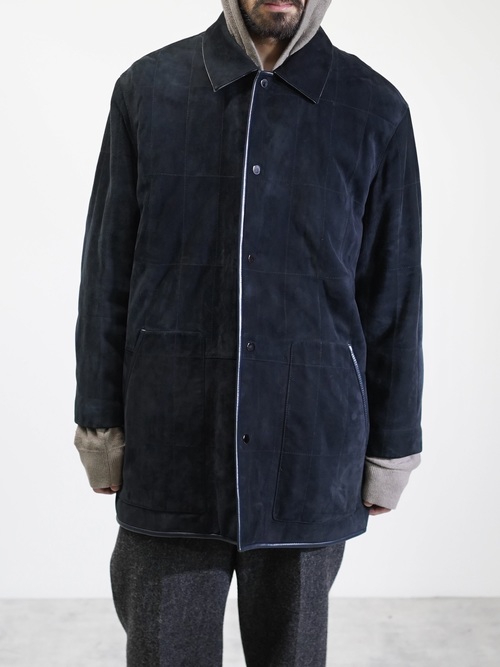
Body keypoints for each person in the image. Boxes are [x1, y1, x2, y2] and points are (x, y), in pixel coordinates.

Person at [74, 0, 423, 665]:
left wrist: (393, 450)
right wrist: (99, 428)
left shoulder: (373, 109)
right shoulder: (148, 90)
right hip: (172, 449)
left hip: (309, 454)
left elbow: (394, 294)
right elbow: (106, 271)